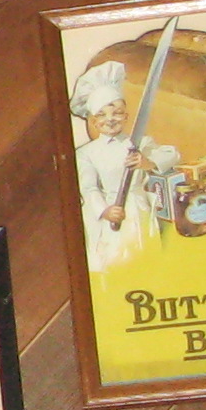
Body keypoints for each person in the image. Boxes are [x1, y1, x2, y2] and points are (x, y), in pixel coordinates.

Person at [69, 61, 151, 267]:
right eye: (102, 115)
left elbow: (170, 156)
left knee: (147, 260)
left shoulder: (140, 144)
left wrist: (146, 162)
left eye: (117, 113)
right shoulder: (86, 153)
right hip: (111, 216)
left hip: (140, 210)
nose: (110, 119)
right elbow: (89, 188)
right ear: (94, 122)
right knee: (116, 262)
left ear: (126, 116)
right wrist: (105, 211)